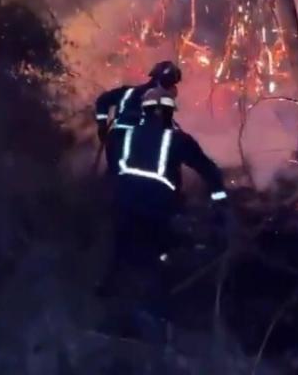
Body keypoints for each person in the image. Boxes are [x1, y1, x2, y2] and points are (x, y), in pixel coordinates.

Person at [97, 86, 229, 340]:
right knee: (157, 262)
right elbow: (209, 171)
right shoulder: (178, 140)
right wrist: (220, 204)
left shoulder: (124, 135)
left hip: (122, 207)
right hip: (155, 212)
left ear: (144, 111)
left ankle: (106, 316)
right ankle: (152, 324)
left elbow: (114, 169)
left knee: (122, 258)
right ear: (169, 112)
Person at [94, 61, 182, 174]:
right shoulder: (159, 98)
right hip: (137, 142)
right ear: (167, 82)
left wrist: (102, 125)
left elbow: (102, 100)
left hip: (116, 138)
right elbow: (167, 124)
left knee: (116, 173)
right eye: (173, 84)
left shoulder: (128, 91)